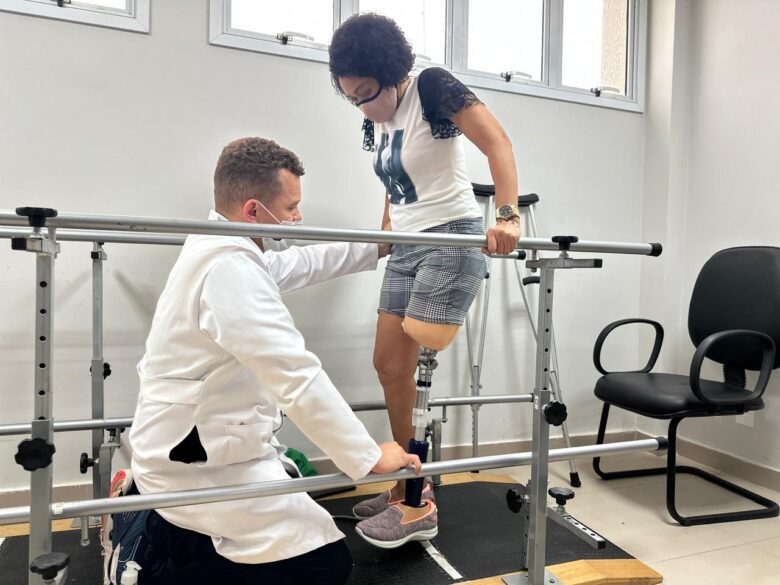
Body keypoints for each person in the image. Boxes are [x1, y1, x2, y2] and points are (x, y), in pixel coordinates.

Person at [106, 137, 421, 585]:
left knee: (304, 543)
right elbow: (296, 374)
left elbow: (303, 262)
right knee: (323, 563)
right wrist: (369, 456)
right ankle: (141, 553)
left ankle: (146, 515)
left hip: (203, 446)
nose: (298, 217)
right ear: (254, 210)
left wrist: (378, 245)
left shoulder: (223, 244)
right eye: (291, 207)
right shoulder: (229, 271)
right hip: (196, 465)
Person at [328, 13, 521, 547]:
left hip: (453, 237)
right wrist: (386, 231)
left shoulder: (432, 87)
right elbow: (396, 179)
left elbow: (497, 143)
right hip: (409, 246)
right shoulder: (379, 118)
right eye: (352, 98)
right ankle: (408, 478)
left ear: (393, 73)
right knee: (388, 365)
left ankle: (420, 506)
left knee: (424, 346)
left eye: (367, 93)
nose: (362, 106)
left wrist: (506, 215)